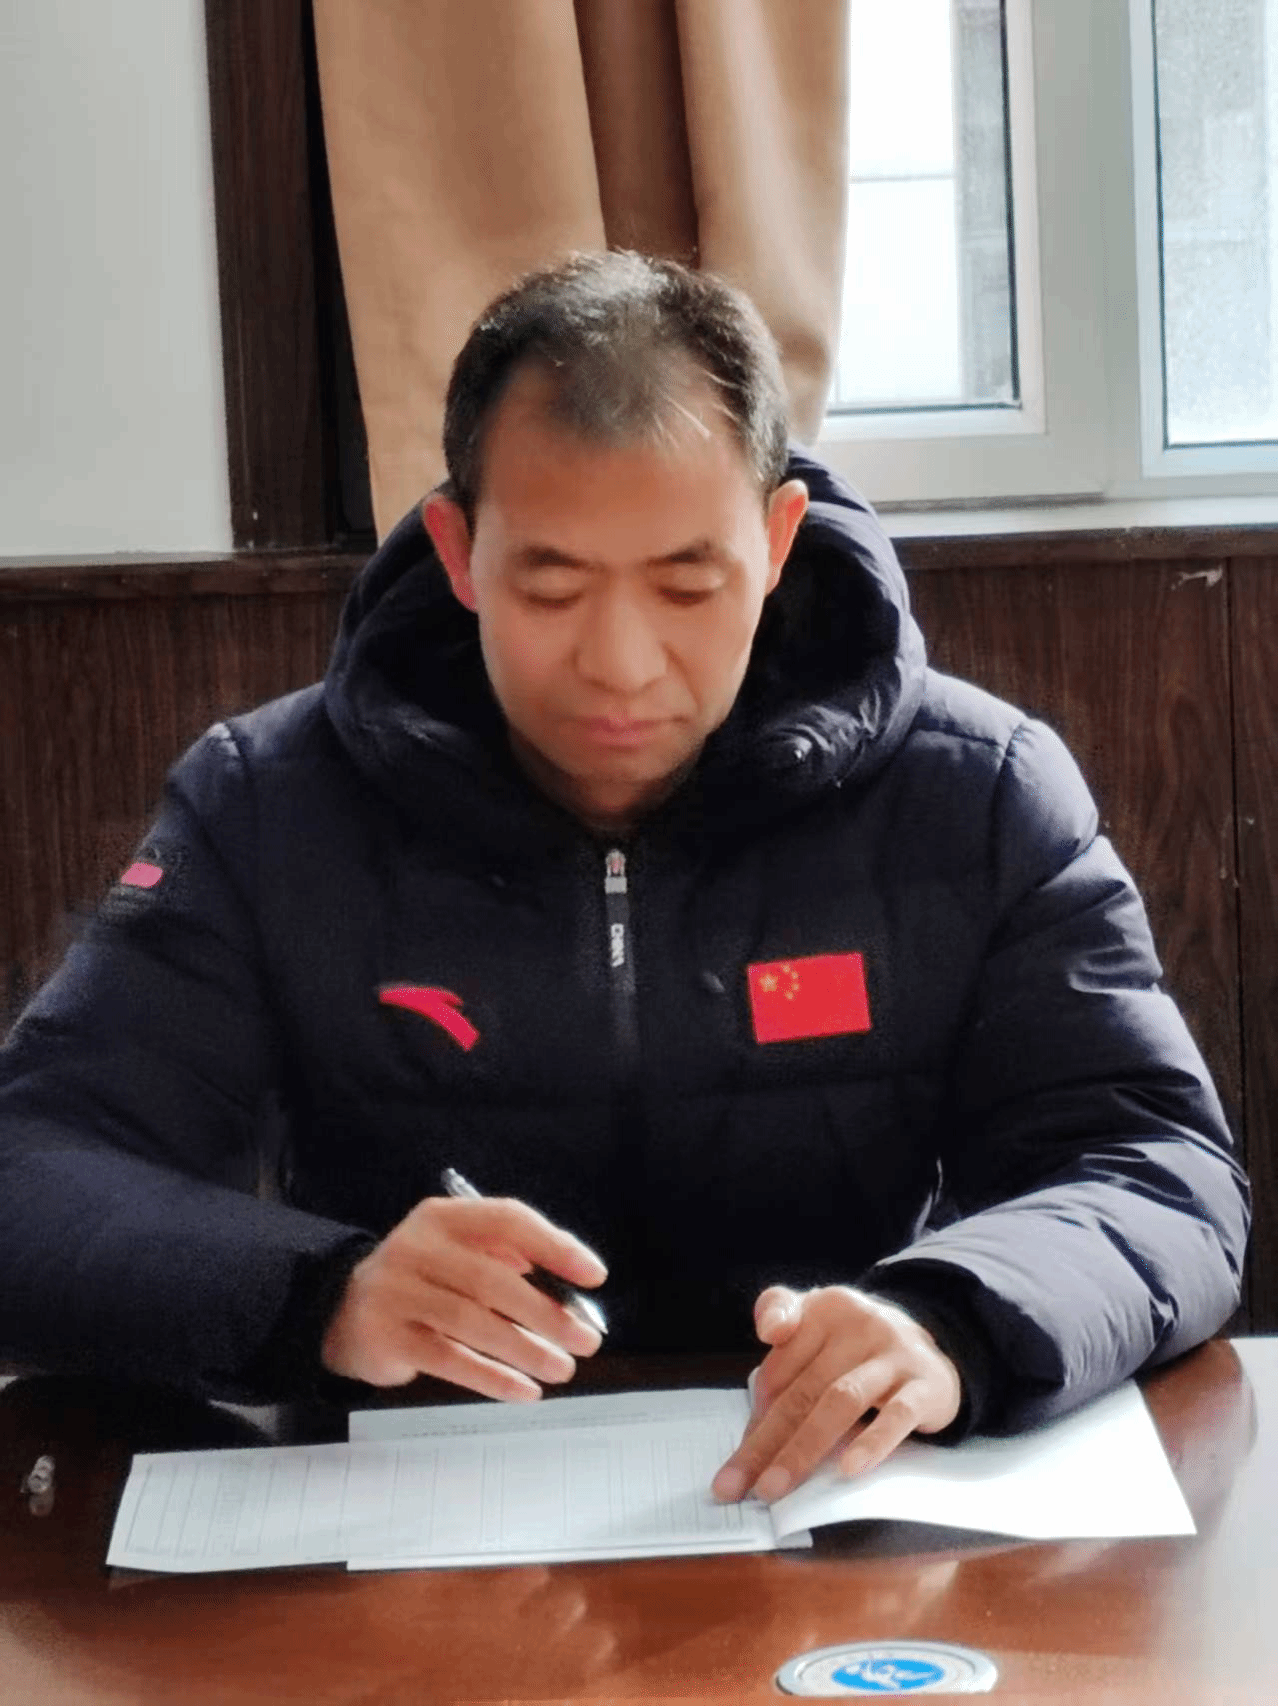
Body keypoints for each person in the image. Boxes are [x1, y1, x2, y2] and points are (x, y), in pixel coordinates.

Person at [0, 252, 1249, 1510]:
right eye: (551, 584)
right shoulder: (269, 805)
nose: (621, 662)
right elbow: (33, 1169)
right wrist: (324, 1290)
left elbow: (1157, 1164)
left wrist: (952, 1318)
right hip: (412, 1522)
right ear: (457, 551)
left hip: (842, 1493)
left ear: (777, 542)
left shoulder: (976, 792)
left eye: (687, 584)